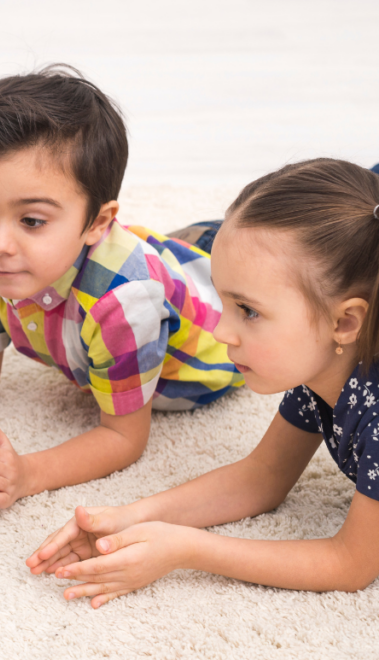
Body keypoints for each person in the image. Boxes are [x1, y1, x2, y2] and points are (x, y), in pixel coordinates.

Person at [28, 158, 379, 607]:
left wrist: (186, 550)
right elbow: (262, 478)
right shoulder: (321, 365)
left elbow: (350, 563)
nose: (221, 331)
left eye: (248, 311)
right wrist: (130, 518)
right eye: (224, 301)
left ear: (346, 322)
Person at [0, 65, 242, 507]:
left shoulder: (125, 302)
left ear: (98, 222)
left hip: (216, 307)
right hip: (162, 257)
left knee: (328, 234)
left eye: (32, 221)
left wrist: (30, 473)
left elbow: (123, 437)